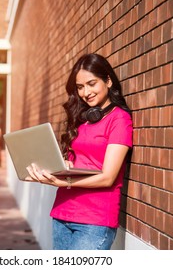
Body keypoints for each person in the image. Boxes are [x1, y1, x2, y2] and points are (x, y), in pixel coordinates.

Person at [25, 53, 133, 250]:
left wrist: (65, 180)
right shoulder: (81, 119)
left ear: (108, 81)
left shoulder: (119, 119)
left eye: (92, 83)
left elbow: (108, 177)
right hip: (62, 212)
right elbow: (79, 163)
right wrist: (62, 166)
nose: (86, 92)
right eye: (80, 87)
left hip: (94, 221)